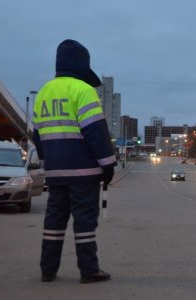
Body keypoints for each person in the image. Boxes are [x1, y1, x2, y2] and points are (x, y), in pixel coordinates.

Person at [33, 39, 116, 283]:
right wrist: (108, 164)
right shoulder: (83, 91)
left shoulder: (43, 92)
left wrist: (48, 163)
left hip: (56, 172)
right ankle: (89, 270)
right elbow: (95, 131)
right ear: (81, 66)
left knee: (54, 221)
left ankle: (48, 270)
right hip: (83, 172)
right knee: (85, 222)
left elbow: (37, 135)